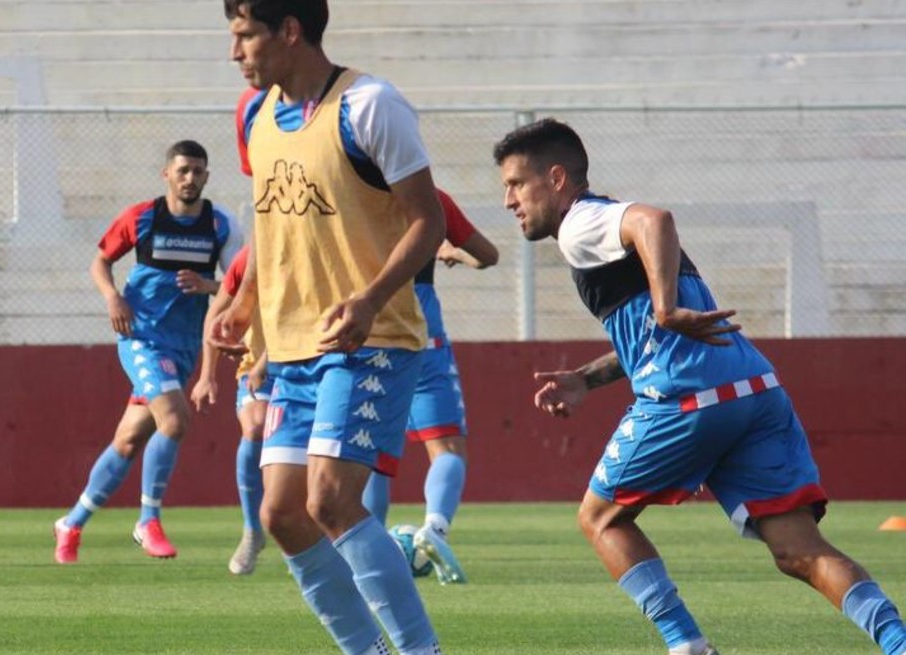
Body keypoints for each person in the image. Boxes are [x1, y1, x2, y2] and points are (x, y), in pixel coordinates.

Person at [493, 117, 906, 655]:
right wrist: (588, 379)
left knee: (600, 518)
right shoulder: (600, 230)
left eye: (516, 184)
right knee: (798, 550)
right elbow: (647, 330)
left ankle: (686, 645)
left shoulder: (581, 222)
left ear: (555, 178)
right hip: (754, 390)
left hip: (689, 399)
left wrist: (664, 307)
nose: (508, 200)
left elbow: (654, 220)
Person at [216, 1, 445, 652]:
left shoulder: (369, 105)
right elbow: (270, 226)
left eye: (245, 36)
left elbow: (428, 220)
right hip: (292, 349)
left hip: (369, 338)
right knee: (281, 514)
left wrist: (370, 300)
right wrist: (245, 305)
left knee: (332, 501)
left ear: (289, 31)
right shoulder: (255, 116)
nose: (236, 53)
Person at [53, 140, 243, 564]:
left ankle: (72, 521)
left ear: (207, 176)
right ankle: (148, 520)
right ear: (167, 175)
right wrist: (112, 298)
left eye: (198, 171)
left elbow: (240, 282)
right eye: (183, 170)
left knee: (128, 441)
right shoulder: (142, 217)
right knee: (174, 421)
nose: (190, 178)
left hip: (184, 345)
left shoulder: (220, 225)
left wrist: (209, 286)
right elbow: (100, 262)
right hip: (141, 336)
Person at [361, 188, 498, 585]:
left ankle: (366, 554)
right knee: (448, 447)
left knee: (370, 450)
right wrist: (456, 253)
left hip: (367, 318)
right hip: (420, 322)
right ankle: (434, 530)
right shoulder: (430, 197)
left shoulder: (348, 189)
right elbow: (488, 255)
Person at [192, 244, 272, 575]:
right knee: (255, 426)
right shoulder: (250, 255)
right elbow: (216, 313)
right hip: (259, 370)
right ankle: (252, 529)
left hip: (315, 362)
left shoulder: (315, 245)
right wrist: (207, 375)